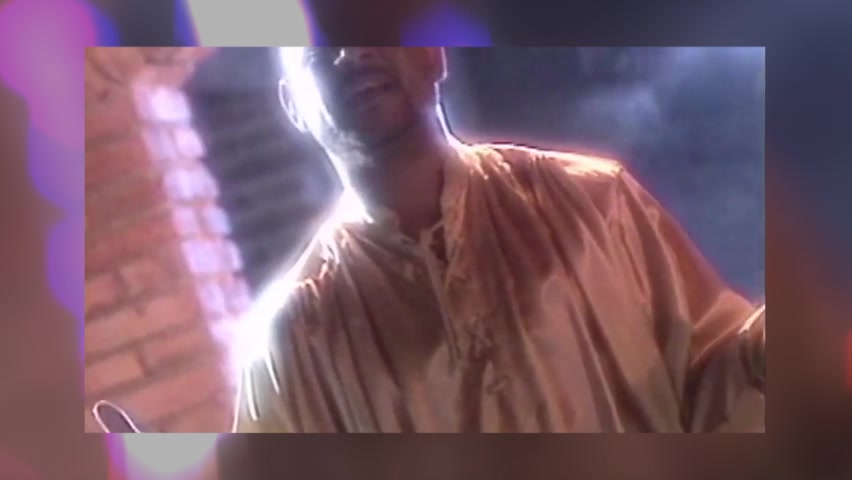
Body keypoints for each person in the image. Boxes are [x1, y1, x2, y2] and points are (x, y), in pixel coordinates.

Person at [232, 47, 765, 433]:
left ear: (434, 52)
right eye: (321, 47)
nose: (352, 53)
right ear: (292, 105)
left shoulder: (594, 204)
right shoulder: (294, 342)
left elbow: (716, 383)